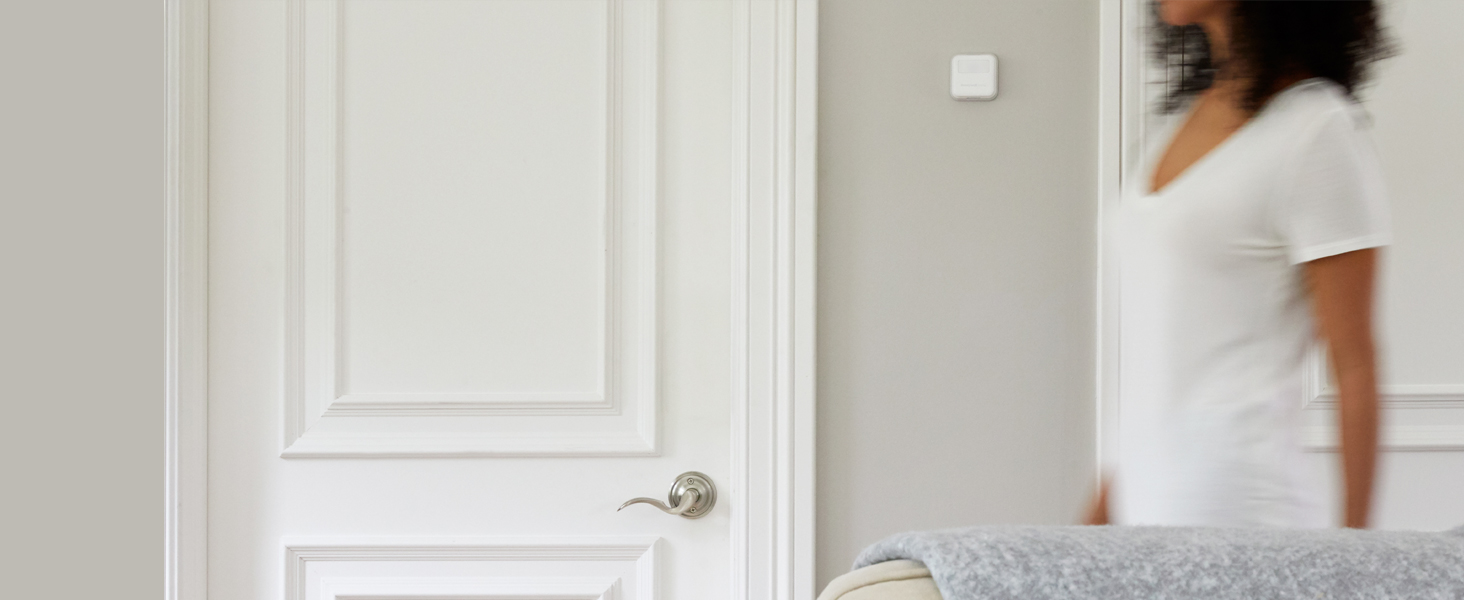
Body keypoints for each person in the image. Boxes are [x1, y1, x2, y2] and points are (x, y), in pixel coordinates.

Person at [1085, 0, 1395, 529]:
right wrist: (1096, 517)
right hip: (1141, 517)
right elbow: (1163, 364)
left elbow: (1355, 365)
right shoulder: (1180, 121)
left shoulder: (1317, 130)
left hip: (1243, 518)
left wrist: (1356, 556)